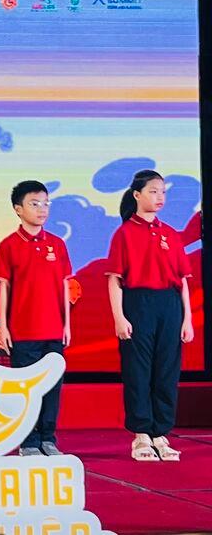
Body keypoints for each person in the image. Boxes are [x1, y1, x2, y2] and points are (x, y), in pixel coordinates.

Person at [106, 170, 193, 462]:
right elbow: (114, 279)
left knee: (167, 370)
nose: (159, 197)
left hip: (170, 305)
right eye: (153, 191)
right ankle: (141, 434)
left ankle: (161, 434)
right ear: (137, 195)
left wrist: (187, 319)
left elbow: (182, 281)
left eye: (163, 192)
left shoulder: (171, 234)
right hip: (138, 303)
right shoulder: (124, 233)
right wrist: (119, 317)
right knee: (138, 370)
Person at [0, 180, 71, 457]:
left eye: (46, 203)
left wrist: (66, 324)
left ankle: (48, 438)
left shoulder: (57, 244)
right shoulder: (9, 245)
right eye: (34, 204)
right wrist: (3, 326)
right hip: (23, 331)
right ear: (18, 209)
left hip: (54, 329)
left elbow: (64, 286)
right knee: (26, 388)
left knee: (52, 387)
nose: (42, 209)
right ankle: (28, 441)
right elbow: (4, 288)